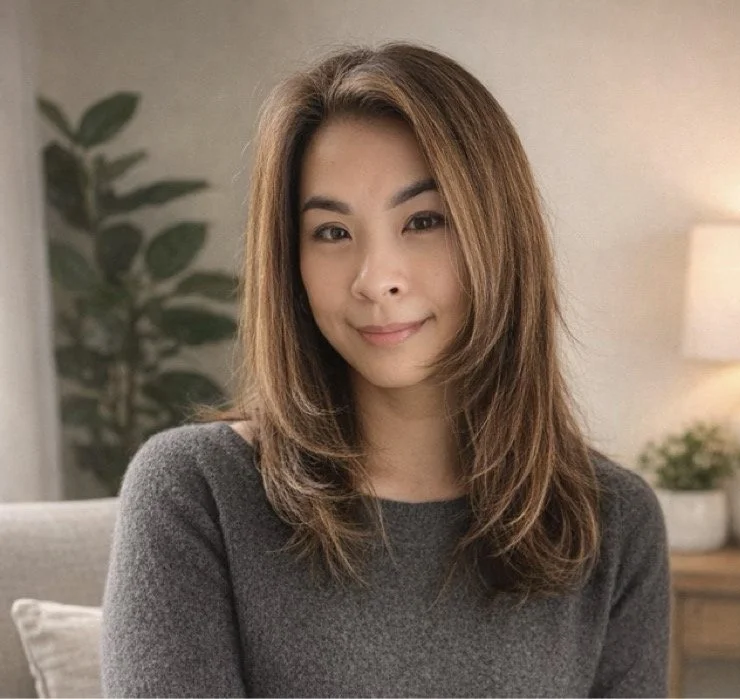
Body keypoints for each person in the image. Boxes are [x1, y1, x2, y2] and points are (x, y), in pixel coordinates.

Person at [100, 40, 671, 698]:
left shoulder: (613, 521)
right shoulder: (195, 490)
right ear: (292, 264)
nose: (377, 280)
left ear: (498, 235)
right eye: (333, 233)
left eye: (423, 220)